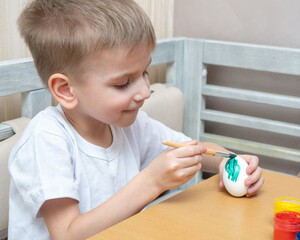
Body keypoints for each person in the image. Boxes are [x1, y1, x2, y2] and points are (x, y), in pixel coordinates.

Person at [8, 0, 264, 239]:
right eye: (123, 83)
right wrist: (152, 182)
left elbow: (195, 150)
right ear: (66, 90)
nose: (144, 92)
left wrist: (231, 161)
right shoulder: (47, 139)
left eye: (145, 72)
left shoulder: (130, 125)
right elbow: (68, 233)